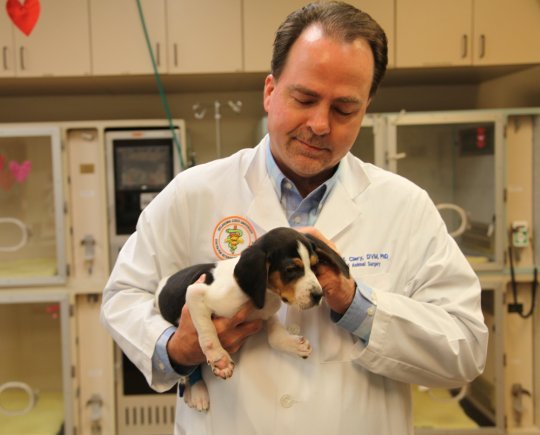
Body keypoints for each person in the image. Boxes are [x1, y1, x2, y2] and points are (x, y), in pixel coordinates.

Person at [101, 2, 488, 434]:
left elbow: (466, 347)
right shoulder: (194, 192)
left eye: (344, 109)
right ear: (270, 90)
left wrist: (356, 303)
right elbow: (123, 297)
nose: (320, 124)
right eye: (304, 99)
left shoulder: (405, 207)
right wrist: (176, 349)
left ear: (366, 108)